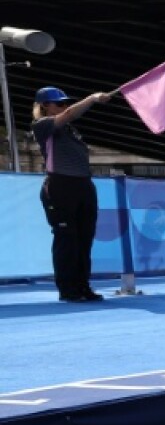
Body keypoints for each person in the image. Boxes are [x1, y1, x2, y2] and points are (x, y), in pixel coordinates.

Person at [30, 86, 112, 302]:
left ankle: (82, 285)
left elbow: (68, 117)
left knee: (85, 239)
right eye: (59, 103)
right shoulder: (42, 125)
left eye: (66, 102)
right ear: (45, 106)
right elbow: (69, 114)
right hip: (60, 185)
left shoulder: (71, 132)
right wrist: (92, 97)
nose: (64, 106)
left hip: (83, 185)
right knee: (67, 238)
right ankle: (67, 289)